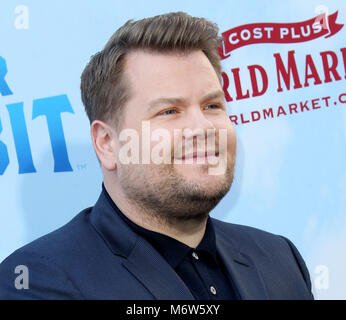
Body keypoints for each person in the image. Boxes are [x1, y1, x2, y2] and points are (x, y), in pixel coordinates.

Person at [0, 12, 313, 300]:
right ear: (107, 143)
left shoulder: (280, 259)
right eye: (169, 111)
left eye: (212, 106)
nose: (202, 127)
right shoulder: (41, 279)